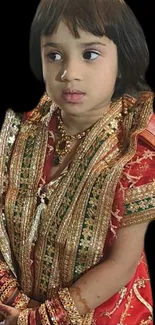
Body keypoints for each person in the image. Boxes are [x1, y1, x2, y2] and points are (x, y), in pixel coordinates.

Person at [0, 0, 155, 324]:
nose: (69, 73)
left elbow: (122, 265)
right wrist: (12, 300)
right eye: (54, 55)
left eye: (90, 54)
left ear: (123, 61)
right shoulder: (22, 131)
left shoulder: (136, 149)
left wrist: (39, 318)